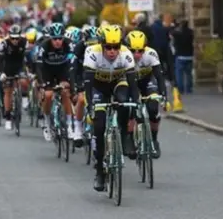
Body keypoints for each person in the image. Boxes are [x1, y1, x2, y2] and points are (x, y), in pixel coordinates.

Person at [83, 24, 140, 191]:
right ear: (102, 45)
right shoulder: (92, 54)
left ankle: (124, 137)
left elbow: (133, 84)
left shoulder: (126, 54)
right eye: (108, 47)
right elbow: (88, 84)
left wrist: (136, 103)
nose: (112, 51)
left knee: (123, 102)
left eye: (116, 47)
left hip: (118, 83)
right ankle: (100, 171)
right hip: (98, 87)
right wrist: (90, 105)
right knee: (99, 127)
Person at [125, 30, 167, 158]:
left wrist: (163, 95)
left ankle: (154, 140)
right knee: (130, 108)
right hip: (130, 83)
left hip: (148, 81)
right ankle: (130, 139)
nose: (137, 54)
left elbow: (159, 76)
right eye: (133, 51)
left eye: (140, 51)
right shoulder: (122, 54)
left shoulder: (151, 54)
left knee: (153, 108)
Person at [37, 23, 74, 142]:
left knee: (65, 93)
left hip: (63, 70)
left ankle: (69, 125)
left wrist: (70, 81)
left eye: (60, 38)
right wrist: (42, 83)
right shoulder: (44, 46)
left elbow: (72, 64)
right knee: (48, 95)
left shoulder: (69, 44)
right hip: (47, 71)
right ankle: (47, 124)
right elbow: (38, 66)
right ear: (50, 38)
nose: (57, 41)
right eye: (54, 39)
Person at [0, 25, 28, 131]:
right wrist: (2, 73)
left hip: (19, 66)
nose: (15, 40)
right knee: (8, 91)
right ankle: (8, 117)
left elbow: (30, 55)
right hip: (7, 68)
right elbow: (0, 60)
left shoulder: (24, 42)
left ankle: (24, 98)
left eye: (17, 38)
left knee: (23, 81)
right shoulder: (4, 44)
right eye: (12, 38)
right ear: (9, 37)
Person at [68, 27, 93, 146]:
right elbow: (73, 69)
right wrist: (76, 86)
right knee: (82, 99)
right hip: (81, 75)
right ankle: (78, 128)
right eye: (90, 43)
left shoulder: (102, 49)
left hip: (97, 77)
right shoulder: (79, 47)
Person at [171, 19, 194, 94]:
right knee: (189, 73)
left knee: (179, 74)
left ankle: (180, 89)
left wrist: (175, 27)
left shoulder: (177, 33)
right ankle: (189, 88)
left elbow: (171, 33)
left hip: (180, 55)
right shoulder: (190, 33)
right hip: (189, 55)